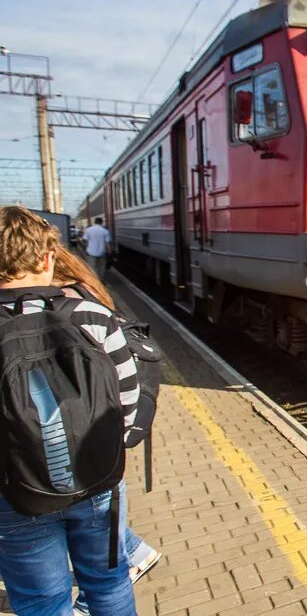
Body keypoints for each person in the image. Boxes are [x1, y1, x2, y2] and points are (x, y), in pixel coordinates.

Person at [0, 206, 139, 615]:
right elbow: (126, 401)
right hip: (98, 481)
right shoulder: (92, 315)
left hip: (15, 494)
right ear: (48, 259)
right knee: (109, 583)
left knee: (43, 600)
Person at [51, 244, 163, 614]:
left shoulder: (60, 306)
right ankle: (132, 551)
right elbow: (126, 385)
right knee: (105, 569)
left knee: (42, 595)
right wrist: (120, 441)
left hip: (47, 464)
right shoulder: (87, 295)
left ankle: (96, 589)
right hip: (98, 460)